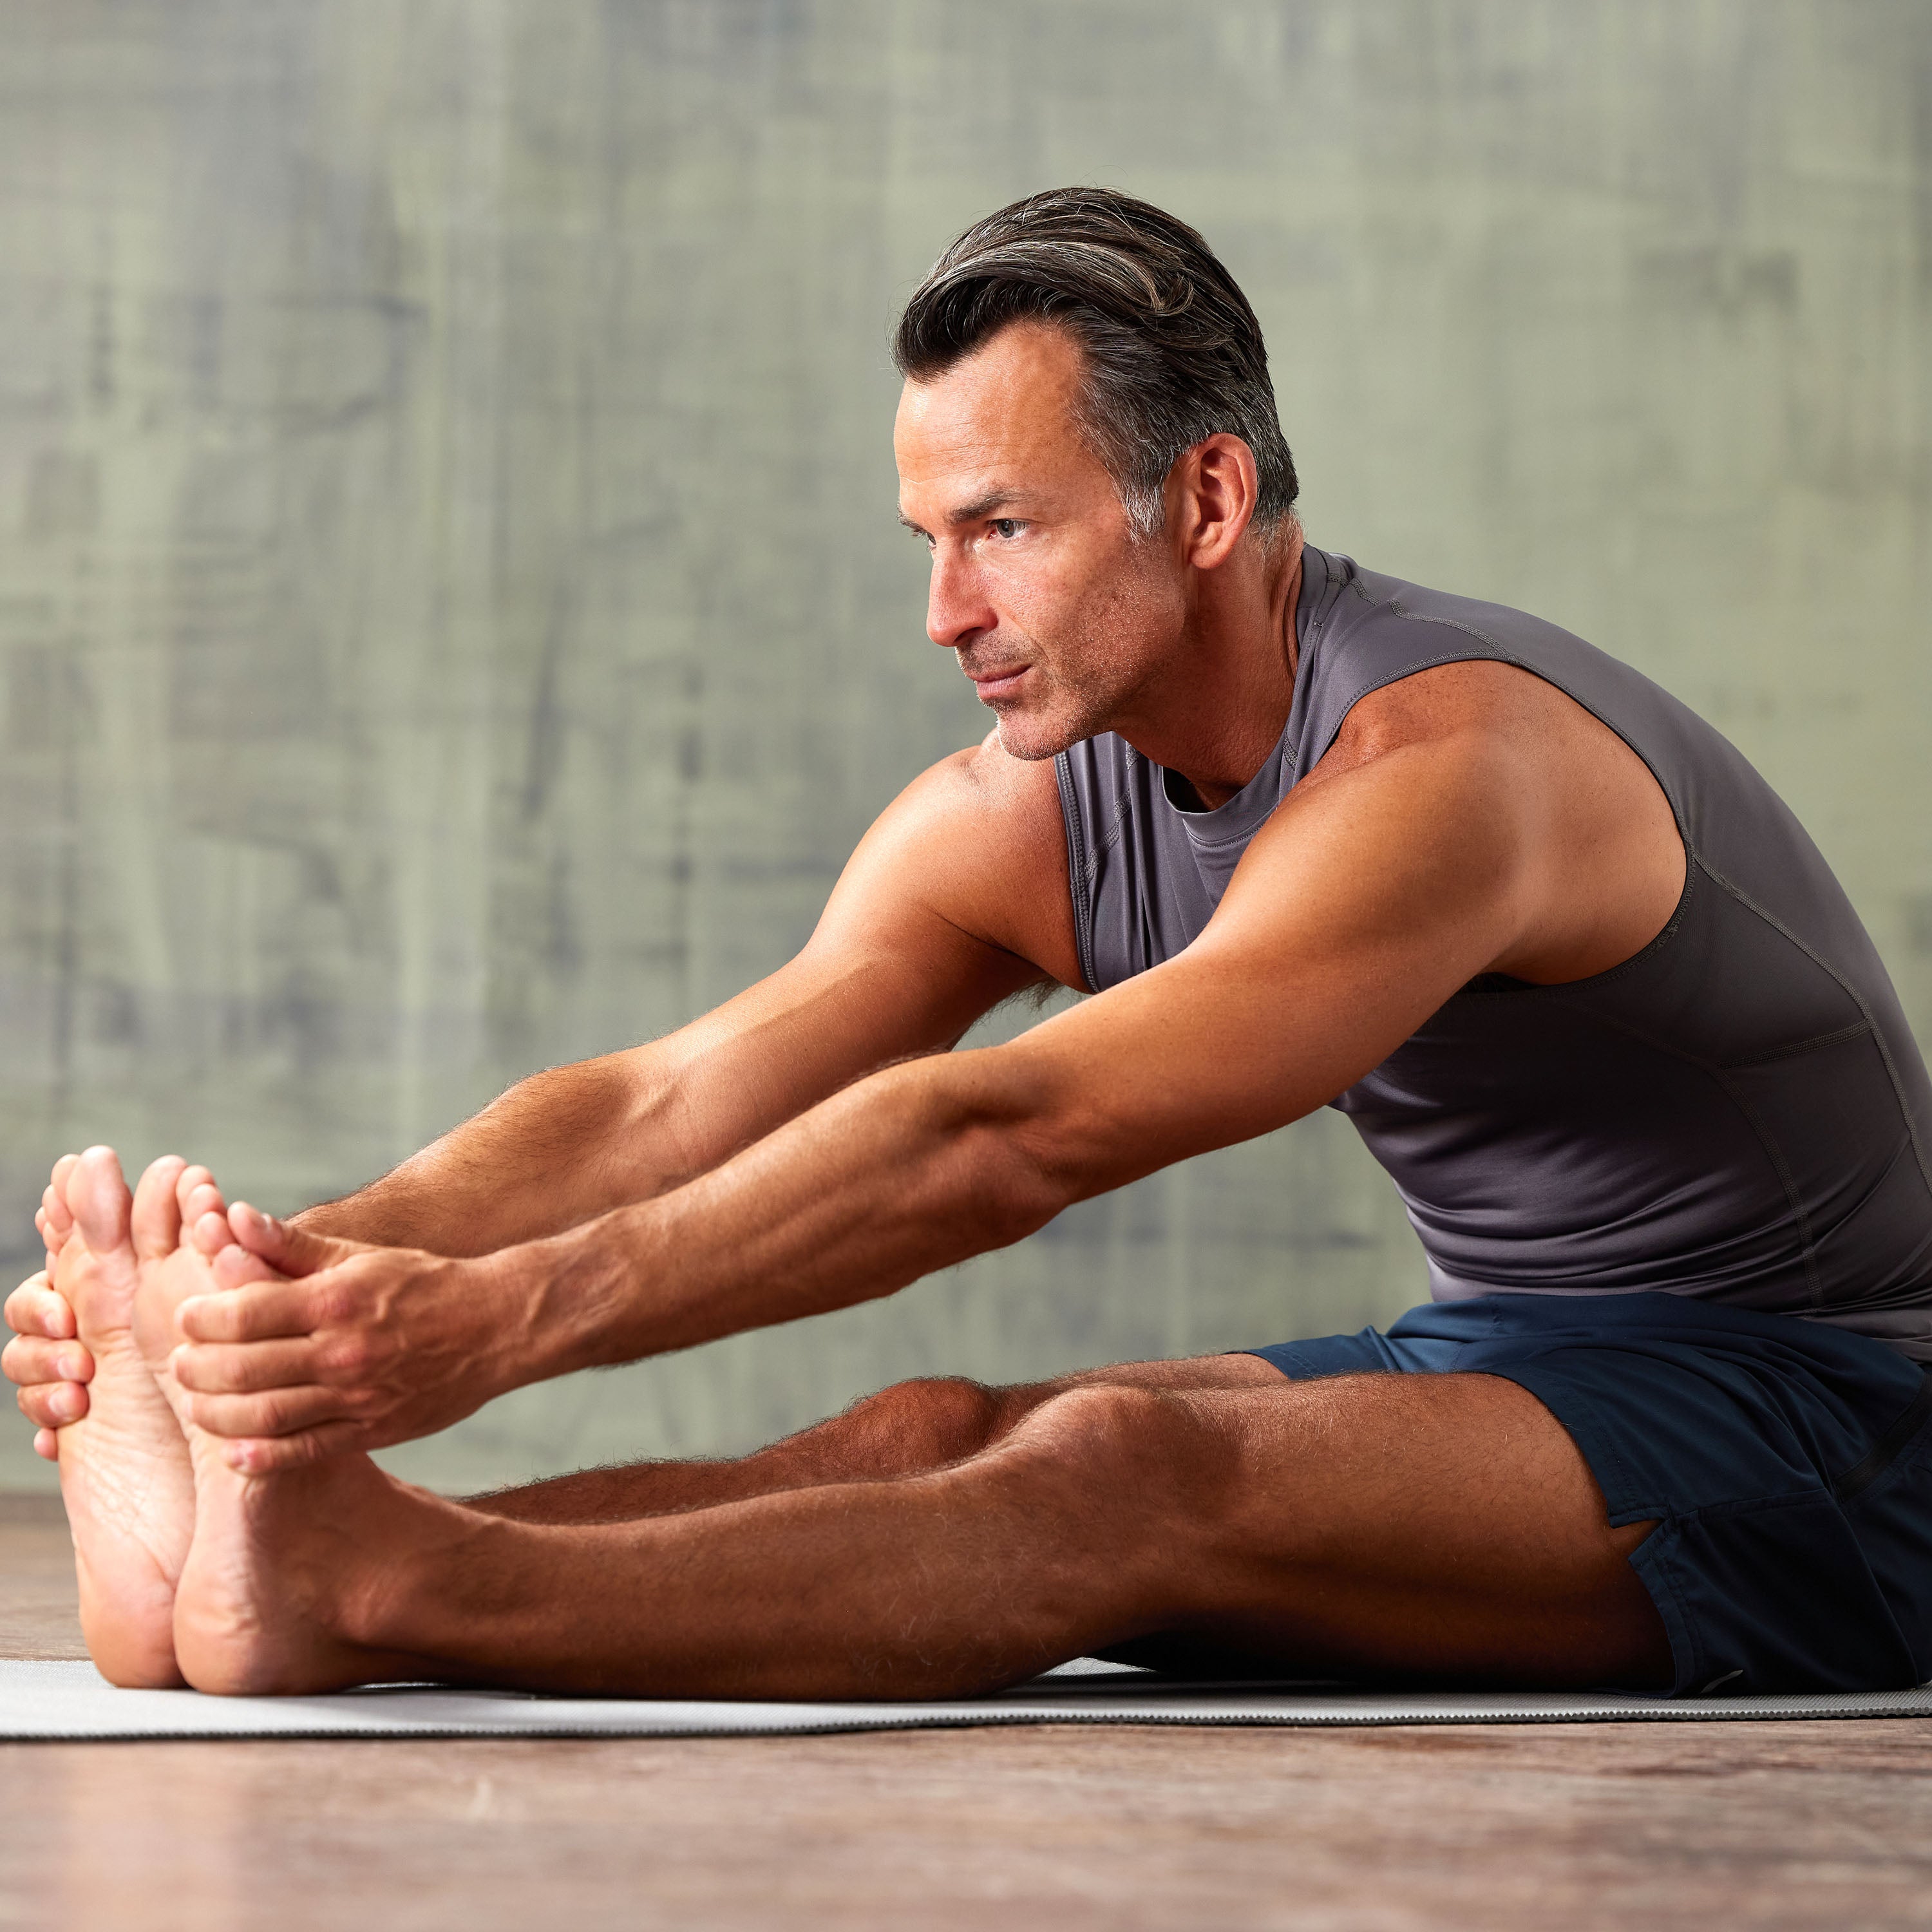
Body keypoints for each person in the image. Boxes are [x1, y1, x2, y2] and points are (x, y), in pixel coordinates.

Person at [8, 188, 1932, 1700]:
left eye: (1000, 529)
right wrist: (279, 1290)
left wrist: (489, 1326)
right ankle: (311, 1572)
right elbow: (675, 1100)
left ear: (1205, 497)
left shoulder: (1456, 770)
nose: (946, 610)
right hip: (1513, 1358)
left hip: (1844, 1415)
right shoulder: (1030, 807)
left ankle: (383, 1584)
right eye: (927, 538)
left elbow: (1006, 1136)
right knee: (934, 1430)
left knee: (1116, 1473)